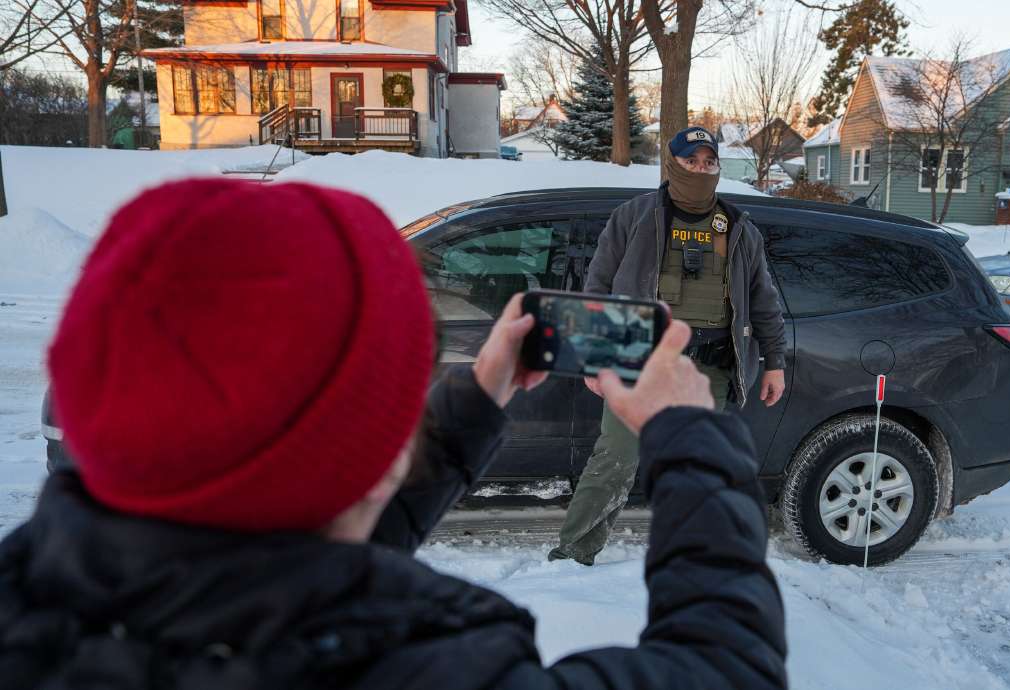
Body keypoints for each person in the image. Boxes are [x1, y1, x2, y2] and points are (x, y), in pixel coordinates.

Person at [0, 179, 787, 690]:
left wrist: (476, 401)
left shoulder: (33, 602)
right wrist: (691, 434)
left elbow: (289, 561)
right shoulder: (428, 669)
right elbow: (727, 666)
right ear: (375, 462)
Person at [549, 126, 788, 566]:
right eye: (690, 161)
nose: (700, 169)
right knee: (616, 457)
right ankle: (574, 552)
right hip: (637, 362)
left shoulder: (738, 227)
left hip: (707, 370)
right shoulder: (635, 217)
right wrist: (593, 357)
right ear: (671, 163)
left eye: (708, 162)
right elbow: (597, 286)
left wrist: (775, 362)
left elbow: (763, 302)